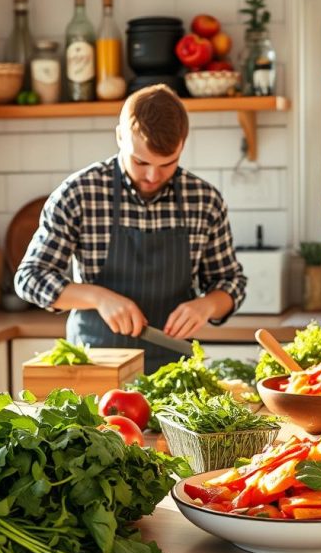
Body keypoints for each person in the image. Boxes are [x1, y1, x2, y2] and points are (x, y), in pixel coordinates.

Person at [15, 84, 247, 373]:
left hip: (176, 374)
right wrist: (98, 297)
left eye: (168, 164)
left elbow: (231, 282)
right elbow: (30, 278)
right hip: (95, 368)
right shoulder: (80, 193)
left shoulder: (204, 200)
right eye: (141, 161)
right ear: (120, 137)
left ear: (182, 146)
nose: (153, 175)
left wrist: (208, 305)